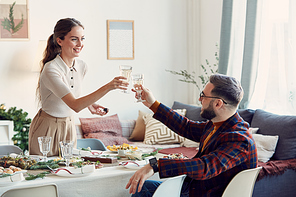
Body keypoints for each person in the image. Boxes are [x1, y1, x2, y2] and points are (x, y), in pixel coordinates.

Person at [126, 74, 258, 197]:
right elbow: (186, 127)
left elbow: (204, 167)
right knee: (142, 187)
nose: (200, 99)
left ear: (218, 103)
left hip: (205, 193)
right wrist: (152, 104)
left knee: (142, 189)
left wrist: (156, 165)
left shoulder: (239, 139)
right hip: (195, 188)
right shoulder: (217, 124)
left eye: (203, 95)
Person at [29, 18, 128, 156]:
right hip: (48, 127)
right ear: (59, 41)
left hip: (69, 125)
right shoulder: (51, 69)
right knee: (44, 171)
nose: (80, 44)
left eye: (82, 38)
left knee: (70, 168)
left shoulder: (82, 66)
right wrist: (109, 86)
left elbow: (71, 94)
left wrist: (90, 104)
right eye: (74, 39)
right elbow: (75, 104)